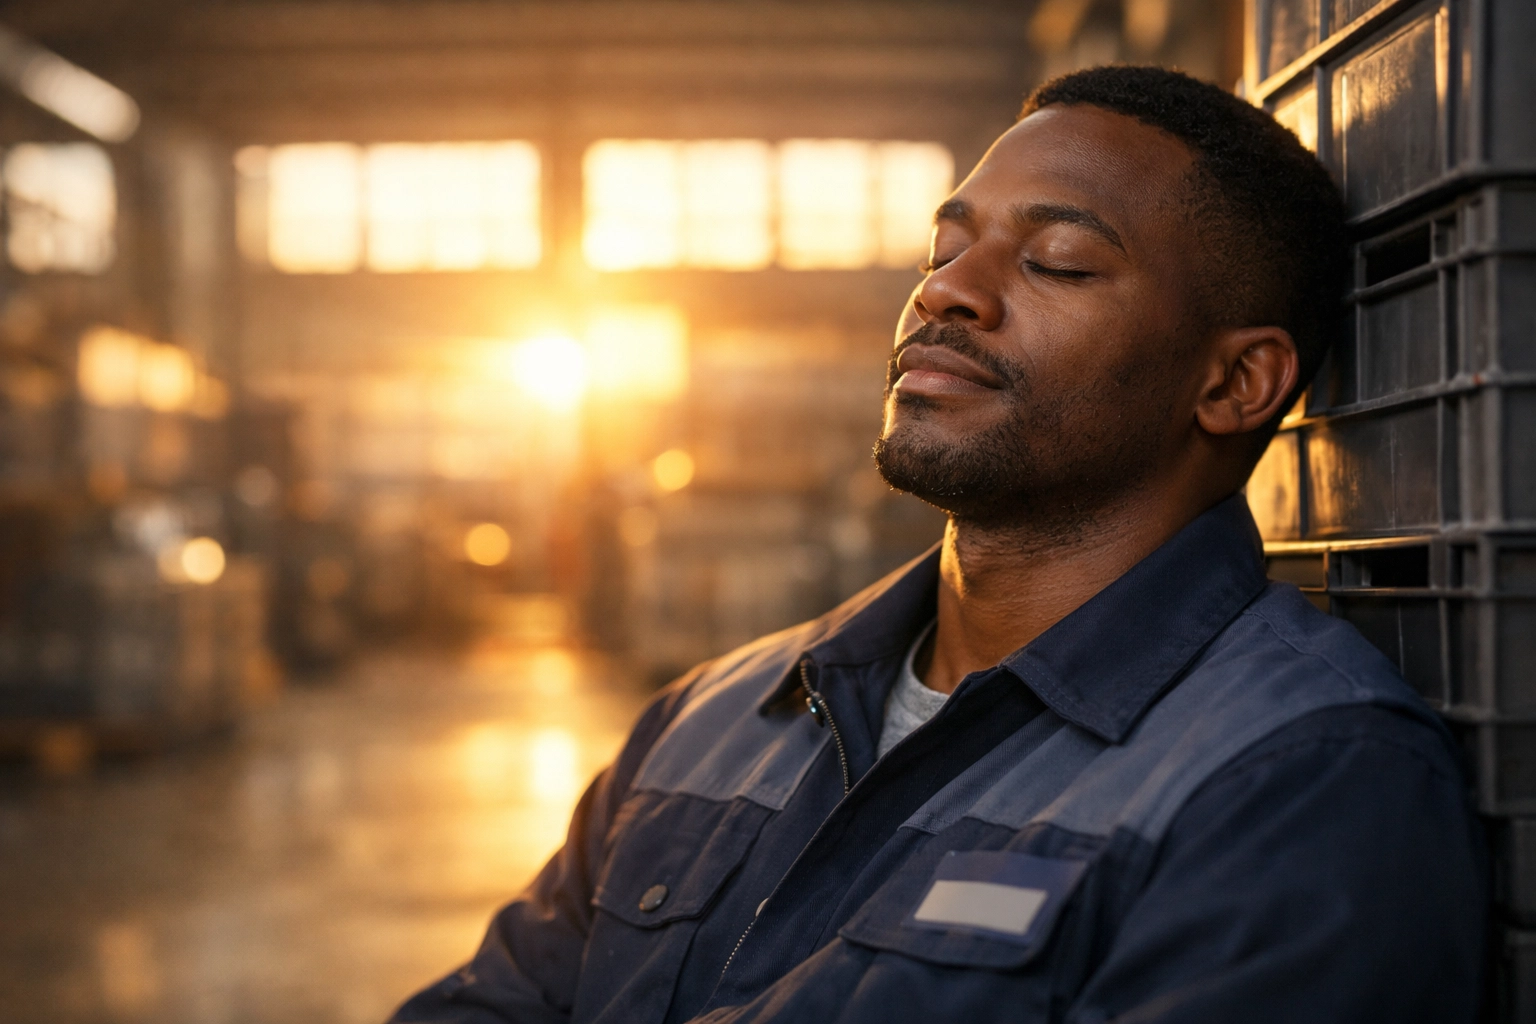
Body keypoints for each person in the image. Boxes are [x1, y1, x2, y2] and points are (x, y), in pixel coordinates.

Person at [390, 66, 1485, 1024]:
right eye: (946, 247)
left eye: (1056, 261)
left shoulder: (1295, 786)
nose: (945, 292)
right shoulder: (713, 719)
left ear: (1233, 381)